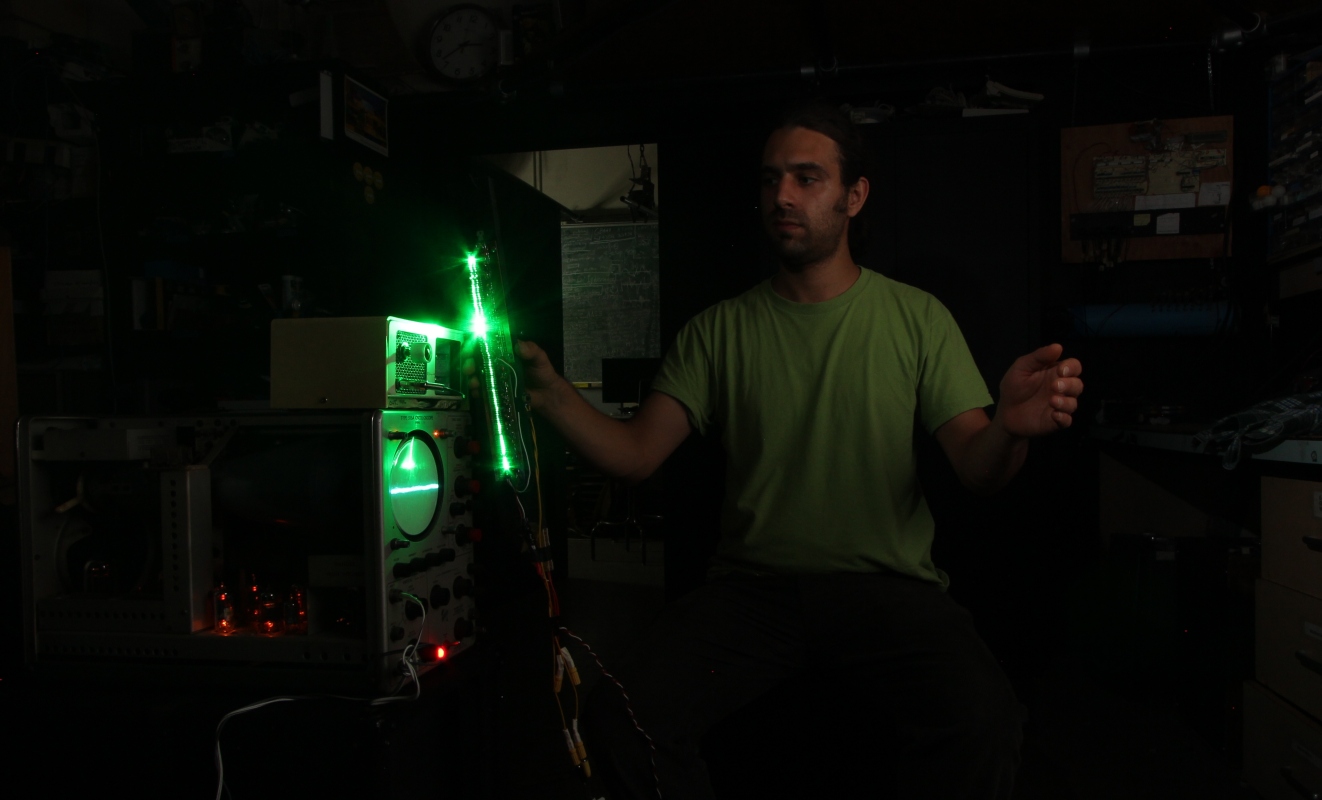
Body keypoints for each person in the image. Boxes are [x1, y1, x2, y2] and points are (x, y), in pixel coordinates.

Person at [515, 100, 1083, 799]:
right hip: (753, 593)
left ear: (854, 196)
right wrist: (551, 395)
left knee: (987, 723)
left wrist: (1009, 431)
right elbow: (635, 454)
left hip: (889, 589)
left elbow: (977, 467)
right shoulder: (718, 331)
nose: (781, 195)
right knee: (621, 718)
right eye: (770, 179)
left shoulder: (917, 318)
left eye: (807, 178)